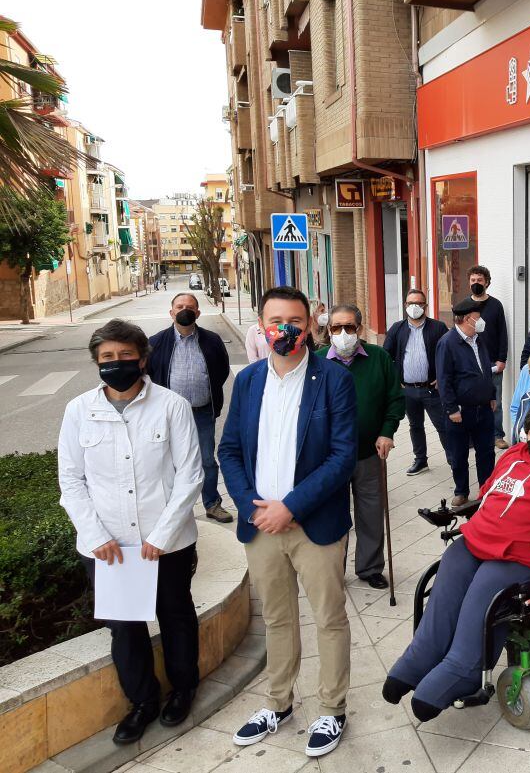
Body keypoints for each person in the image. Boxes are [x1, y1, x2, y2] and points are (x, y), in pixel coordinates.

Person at [382, 403, 530, 721]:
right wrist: (465, 516)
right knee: (453, 561)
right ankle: (424, 652)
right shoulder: (513, 456)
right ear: (524, 434)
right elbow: (488, 493)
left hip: (527, 556)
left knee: (488, 584)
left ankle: (464, 668)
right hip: (479, 543)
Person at [218, 286, 358, 759]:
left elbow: (341, 457)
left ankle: (332, 709)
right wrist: (249, 504)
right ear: (261, 326)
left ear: (310, 326)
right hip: (259, 525)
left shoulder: (333, 380)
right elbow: (230, 450)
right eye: (276, 320)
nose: (286, 329)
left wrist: (291, 506)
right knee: (277, 619)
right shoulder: (249, 380)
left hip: (313, 524)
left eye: (295, 321)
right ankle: (279, 704)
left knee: (328, 618)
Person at [58, 319, 203, 744]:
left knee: (175, 617)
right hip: (108, 548)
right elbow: (71, 479)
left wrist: (161, 536)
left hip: (168, 544)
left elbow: (190, 475)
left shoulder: (171, 406)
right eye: (106, 358)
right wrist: (94, 534)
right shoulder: (79, 411)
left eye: (125, 356)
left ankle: (184, 688)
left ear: (142, 359)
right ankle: (142, 702)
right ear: (96, 363)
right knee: (124, 627)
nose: (116, 364)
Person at [318, 304, 405, 590]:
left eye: (349, 327)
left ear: (360, 328)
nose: (343, 333)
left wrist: (386, 432)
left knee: (370, 512)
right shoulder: (316, 362)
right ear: (328, 330)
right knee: (333, 515)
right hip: (329, 458)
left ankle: (369, 568)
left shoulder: (379, 358)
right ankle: (332, 569)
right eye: (336, 328)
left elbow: (395, 399)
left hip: (369, 452)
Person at [147, 293, 234, 524]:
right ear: (171, 312)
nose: (184, 310)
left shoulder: (212, 340)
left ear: (197, 313)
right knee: (167, 461)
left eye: (190, 307)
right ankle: (173, 508)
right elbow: (148, 374)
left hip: (202, 410)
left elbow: (222, 371)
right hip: (166, 415)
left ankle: (212, 504)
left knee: (206, 460)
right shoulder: (155, 342)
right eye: (180, 306)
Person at [436, 297, 496, 508]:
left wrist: (492, 395)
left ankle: (486, 489)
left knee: (487, 452)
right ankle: (461, 491)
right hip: (460, 411)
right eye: (477, 318)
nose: (481, 322)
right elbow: (444, 380)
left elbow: (486, 371)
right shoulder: (447, 343)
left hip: (484, 408)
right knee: (459, 453)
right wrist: (451, 408)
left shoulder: (479, 340)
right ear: (464, 319)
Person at [383, 288, 450, 477]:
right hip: (408, 390)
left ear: (425, 306)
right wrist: (396, 380)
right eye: (411, 303)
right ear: (405, 306)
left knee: (442, 425)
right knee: (415, 426)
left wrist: (443, 376)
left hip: (432, 389)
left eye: (419, 303)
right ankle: (420, 460)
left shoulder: (438, 328)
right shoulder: (397, 328)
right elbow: (386, 356)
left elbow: (448, 354)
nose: (415, 307)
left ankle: (454, 460)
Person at [467, 265, 510, 449]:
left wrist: (502, 359)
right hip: (469, 362)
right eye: (473, 280)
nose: (476, 283)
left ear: (487, 282)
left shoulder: (496, 305)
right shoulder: (464, 306)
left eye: (480, 280)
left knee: (496, 401)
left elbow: (503, 333)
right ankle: (471, 436)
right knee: (470, 400)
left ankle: (497, 435)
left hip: (492, 362)